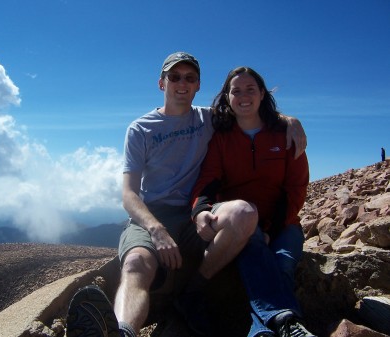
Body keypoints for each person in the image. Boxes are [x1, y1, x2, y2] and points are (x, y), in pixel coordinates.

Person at [66, 53, 307, 337]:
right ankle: (123, 332)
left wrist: (288, 120)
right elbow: (129, 194)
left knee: (243, 213)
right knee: (135, 264)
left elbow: (248, 109)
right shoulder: (140, 129)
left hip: (195, 214)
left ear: (198, 86)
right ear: (161, 83)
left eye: (190, 78)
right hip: (154, 215)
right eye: (175, 76)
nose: (182, 83)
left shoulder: (210, 118)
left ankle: (194, 292)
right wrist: (156, 230)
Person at [191, 66, 315, 337]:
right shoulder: (221, 137)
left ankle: (262, 331)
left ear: (262, 94)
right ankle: (288, 325)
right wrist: (200, 210)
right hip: (243, 223)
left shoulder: (285, 134)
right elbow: (208, 179)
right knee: (256, 245)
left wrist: (270, 229)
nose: (243, 96)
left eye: (250, 89)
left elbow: (296, 189)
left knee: (281, 264)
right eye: (236, 91)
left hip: (283, 224)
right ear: (227, 97)